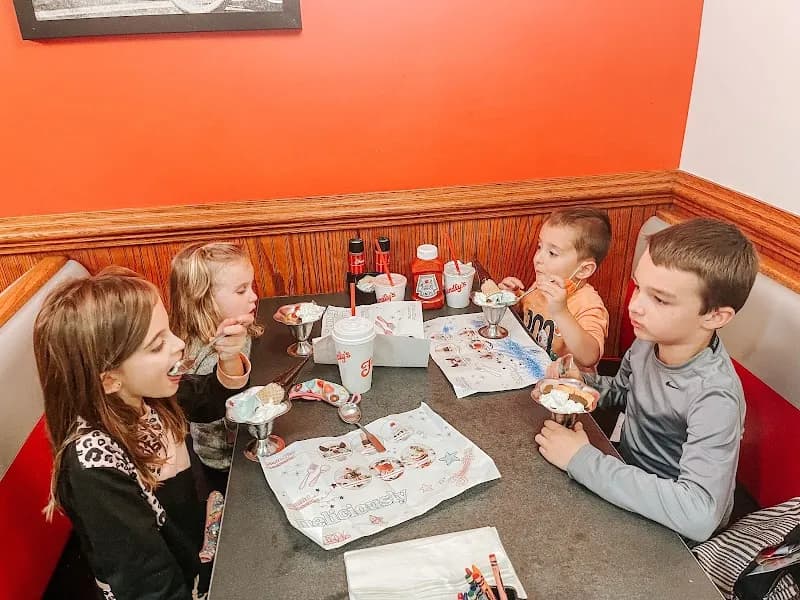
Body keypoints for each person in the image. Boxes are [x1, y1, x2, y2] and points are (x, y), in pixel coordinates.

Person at [534, 218, 759, 542]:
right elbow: (625, 390)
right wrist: (581, 381)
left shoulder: (714, 396)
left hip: (675, 532)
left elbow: (698, 514)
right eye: (638, 287)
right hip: (625, 476)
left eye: (660, 299)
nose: (635, 306)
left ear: (715, 316)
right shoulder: (649, 338)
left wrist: (581, 459)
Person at [35, 268, 252, 599]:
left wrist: (229, 357)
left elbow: (209, 398)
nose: (179, 344)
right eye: (157, 344)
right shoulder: (93, 471)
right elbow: (149, 586)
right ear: (109, 379)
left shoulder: (144, 395)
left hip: (197, 547)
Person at [169, 242, 262, 492]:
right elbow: (223, 414)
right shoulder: (202, 358)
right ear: (204, 300)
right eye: (241, 290)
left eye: (251, 286)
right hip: (226, 464)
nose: (253, 296)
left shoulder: (235, 328)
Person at [493, 207, 611, 369]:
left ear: (584, 270)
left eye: (553, 253)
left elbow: (590, 357)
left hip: (564, 388)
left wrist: (561, 311)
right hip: (529, 371)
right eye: (539, 247)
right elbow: (527, 309)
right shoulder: (541, 286)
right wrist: (513, 297)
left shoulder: (588, 305)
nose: (538, 258)